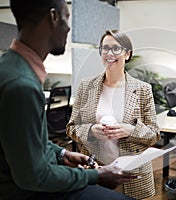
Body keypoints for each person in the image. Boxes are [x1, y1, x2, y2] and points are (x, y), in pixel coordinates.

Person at [0, 1, 134, 200]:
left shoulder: (13, 69)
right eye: (67, 17)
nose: (69, 27)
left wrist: (61, 153)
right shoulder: (22, 85)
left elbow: (30, 143)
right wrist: (95, 175)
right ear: (53, 17)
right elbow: (34, 176)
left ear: (127, 54)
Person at [67, 30, 161, 199]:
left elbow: (154, 134)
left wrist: (130, 130)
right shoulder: (86, 86)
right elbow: (71, 128)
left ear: (127, 54)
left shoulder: (142, 89)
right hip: (95, 170)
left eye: (116, 49)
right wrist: (90, 130)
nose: (109, 53)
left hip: (130, 173)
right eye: (105, 48)